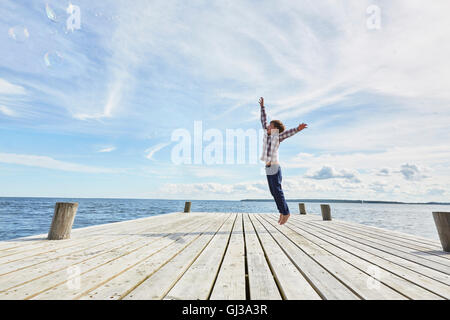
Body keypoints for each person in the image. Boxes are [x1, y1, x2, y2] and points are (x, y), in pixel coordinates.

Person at [259, 97, 307, 225]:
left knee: (278, 191)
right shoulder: (266, 133)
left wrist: (298, 128)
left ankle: (286, 213)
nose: (267, 126)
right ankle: (282, 211)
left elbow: (288, 133)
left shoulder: (277, 137)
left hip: (274, 167)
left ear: (274, 129)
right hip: (268, 167)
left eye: (270, 125)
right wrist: (262, 107)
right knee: (273, 192)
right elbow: (263, 120)